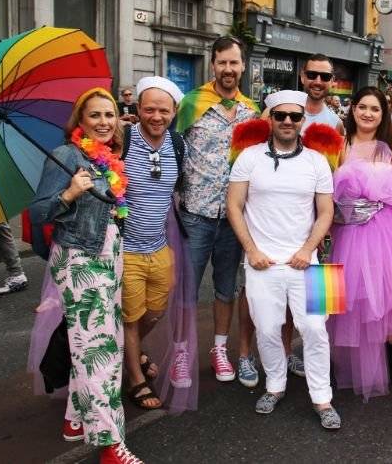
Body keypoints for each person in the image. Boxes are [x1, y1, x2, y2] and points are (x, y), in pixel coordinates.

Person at [28, 87, 142, 463]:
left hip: (109, 257)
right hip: (80, 260)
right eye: (95, 115)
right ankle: (111, 445)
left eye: (109, 115)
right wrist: (70, 194)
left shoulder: (109, 158)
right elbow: (38, 212)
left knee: (97, 341)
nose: (104, 122)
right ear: (80, 121)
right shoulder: (65, 155)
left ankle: (75, 420)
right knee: (100, 351)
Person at [227, 90, 340, 429]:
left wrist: (308, 250)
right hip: (262, 262)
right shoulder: (248, 157)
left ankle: (323, 398)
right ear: (270, 119)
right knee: (267, 328)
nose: (288, 121)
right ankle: (274, 385)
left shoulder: (318, 161)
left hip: (311, 262)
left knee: (316, 330)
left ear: (303, 120)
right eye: (281, 116)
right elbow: (234, 205)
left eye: (295, 116)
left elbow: (326, 211)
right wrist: (251, 250)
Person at [327, 86, 392, 399]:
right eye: (363, 107)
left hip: (385, 229)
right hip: (345, 231)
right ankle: (334, 359)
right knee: (341, 294)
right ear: (352, 108)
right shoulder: (339, 142)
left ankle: (391, 355)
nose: (368, 114)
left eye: (375, 109)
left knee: (388, 293)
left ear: (383, 114)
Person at [176, 36, 263, 388]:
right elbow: (173, 150)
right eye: (222, 62)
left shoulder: (252, 112)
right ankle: (181, 353)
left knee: (226, 289)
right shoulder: (191, 104)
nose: (228, 69)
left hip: (234, 219)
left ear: (243, 66)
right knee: (187, 289)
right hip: (195, 214)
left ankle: (219, 349)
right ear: (213, 64)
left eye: (234, 63)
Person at [119, 76, 198, 412]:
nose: (156, 116)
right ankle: (136, 379)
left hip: (160, 246)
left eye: (163, 110)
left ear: (174, 111)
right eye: (149, 109)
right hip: (126, 249)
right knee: (130, 318)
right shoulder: (121, 139)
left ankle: (132, 350)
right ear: (138, 109)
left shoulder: (178, 144)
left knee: (155, 312)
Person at [263, 55, 344, 135]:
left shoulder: (336, 123)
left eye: (325, 76)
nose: (318, 82)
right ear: (302, 77)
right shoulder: (276, 112)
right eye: (311, 75)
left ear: (332, 81)